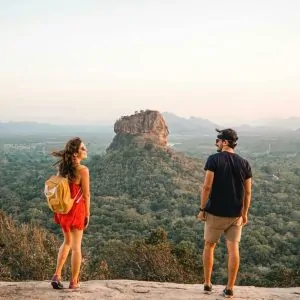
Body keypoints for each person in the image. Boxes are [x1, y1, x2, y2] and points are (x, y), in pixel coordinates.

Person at [197, 128, 252, 298]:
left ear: (225, 142)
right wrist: (244, 213)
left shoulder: (214, 159)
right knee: (233, 248)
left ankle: (207, 283)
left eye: (218, 140)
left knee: (209, 245)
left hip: (215, 212)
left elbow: (207, 186)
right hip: (235, 213)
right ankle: (230, 288)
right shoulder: (244, 163)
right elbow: (248, 192)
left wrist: (202, 209)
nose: (216, 142)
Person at [50, 137, 90, 289]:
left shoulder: (63, 168)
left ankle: (57, 275)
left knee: (67, 242)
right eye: (83, 149)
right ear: (75, 153)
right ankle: (74, 282)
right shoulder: (83, 170)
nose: (86, 151)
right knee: (76, 247)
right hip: (76, 210)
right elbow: (86, 195)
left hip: (63, 209)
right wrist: (88, 214)